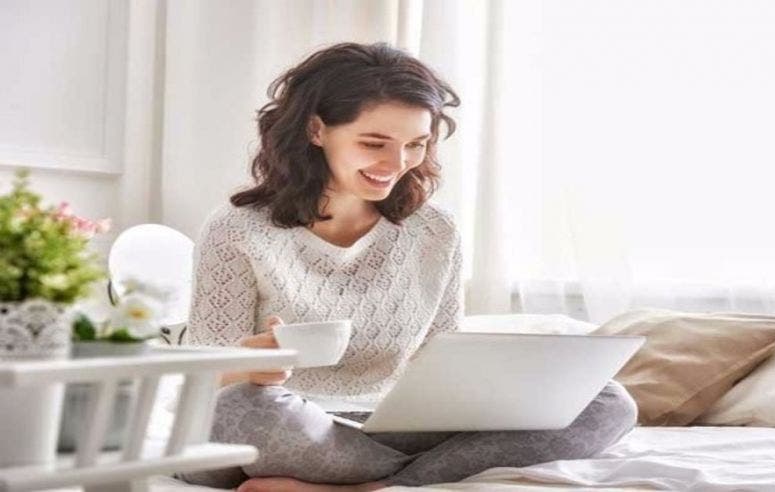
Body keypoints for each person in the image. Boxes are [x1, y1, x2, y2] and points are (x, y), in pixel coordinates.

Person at [179, 42, 637, 492]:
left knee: (609, 401)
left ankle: (372, 486)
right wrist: (249, 365)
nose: (396, 164)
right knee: (244, 409)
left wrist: (484, 391)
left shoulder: (436, 231)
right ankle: (417, 475)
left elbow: (438, 361)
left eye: (416, 144)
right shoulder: (238, 228)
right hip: (271, 422)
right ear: (316, 130)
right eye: (374, 142)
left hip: (383, 426)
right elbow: (201, 381)